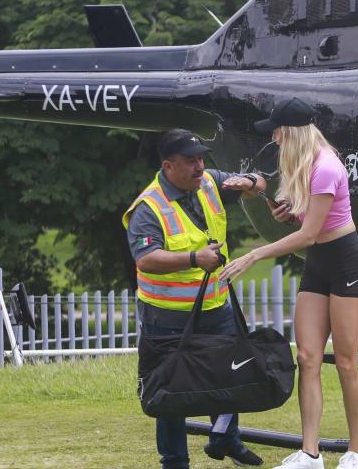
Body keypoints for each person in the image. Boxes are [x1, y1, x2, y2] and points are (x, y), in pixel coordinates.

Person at [220, 98, 358, 469]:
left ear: (290, 132)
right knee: (306, 357)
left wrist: (255, 254)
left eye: (276, 130)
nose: (272, 137)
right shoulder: (301, 165)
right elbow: (307, 226)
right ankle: (310, 453)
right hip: (320, 263)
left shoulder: (325, 167)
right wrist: (287, 212)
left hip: (347, 262)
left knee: (346, 362)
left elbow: (308, 235)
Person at [122, 128, 267, 469]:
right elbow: (145, 260)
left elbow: (261, 183)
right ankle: (174, 461)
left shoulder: (209, 182)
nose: (200, 166)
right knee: (172, 390)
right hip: (167, 315)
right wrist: (193, 259)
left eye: (201, 158)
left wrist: (248, 182)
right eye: (191, 161)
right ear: (168, 166)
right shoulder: (148, 207)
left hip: (217, 306)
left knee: (231, 373)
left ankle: (226, 439)